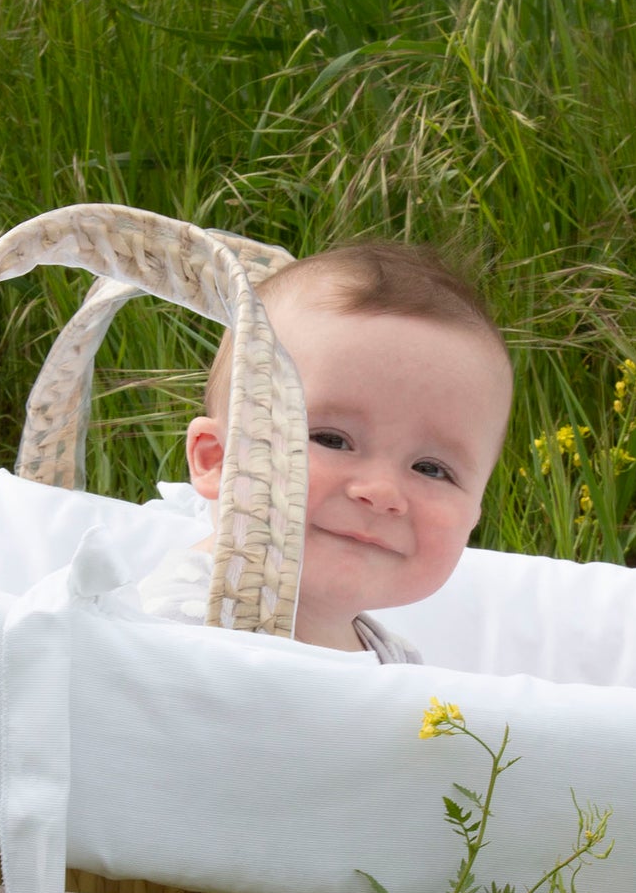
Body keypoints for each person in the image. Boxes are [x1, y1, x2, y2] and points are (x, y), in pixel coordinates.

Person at [137, 241, 513, 661]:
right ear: (218, 460)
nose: (382, 491)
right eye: (332, 439)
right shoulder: (168, 627)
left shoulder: (395, 661)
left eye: (431, 469)